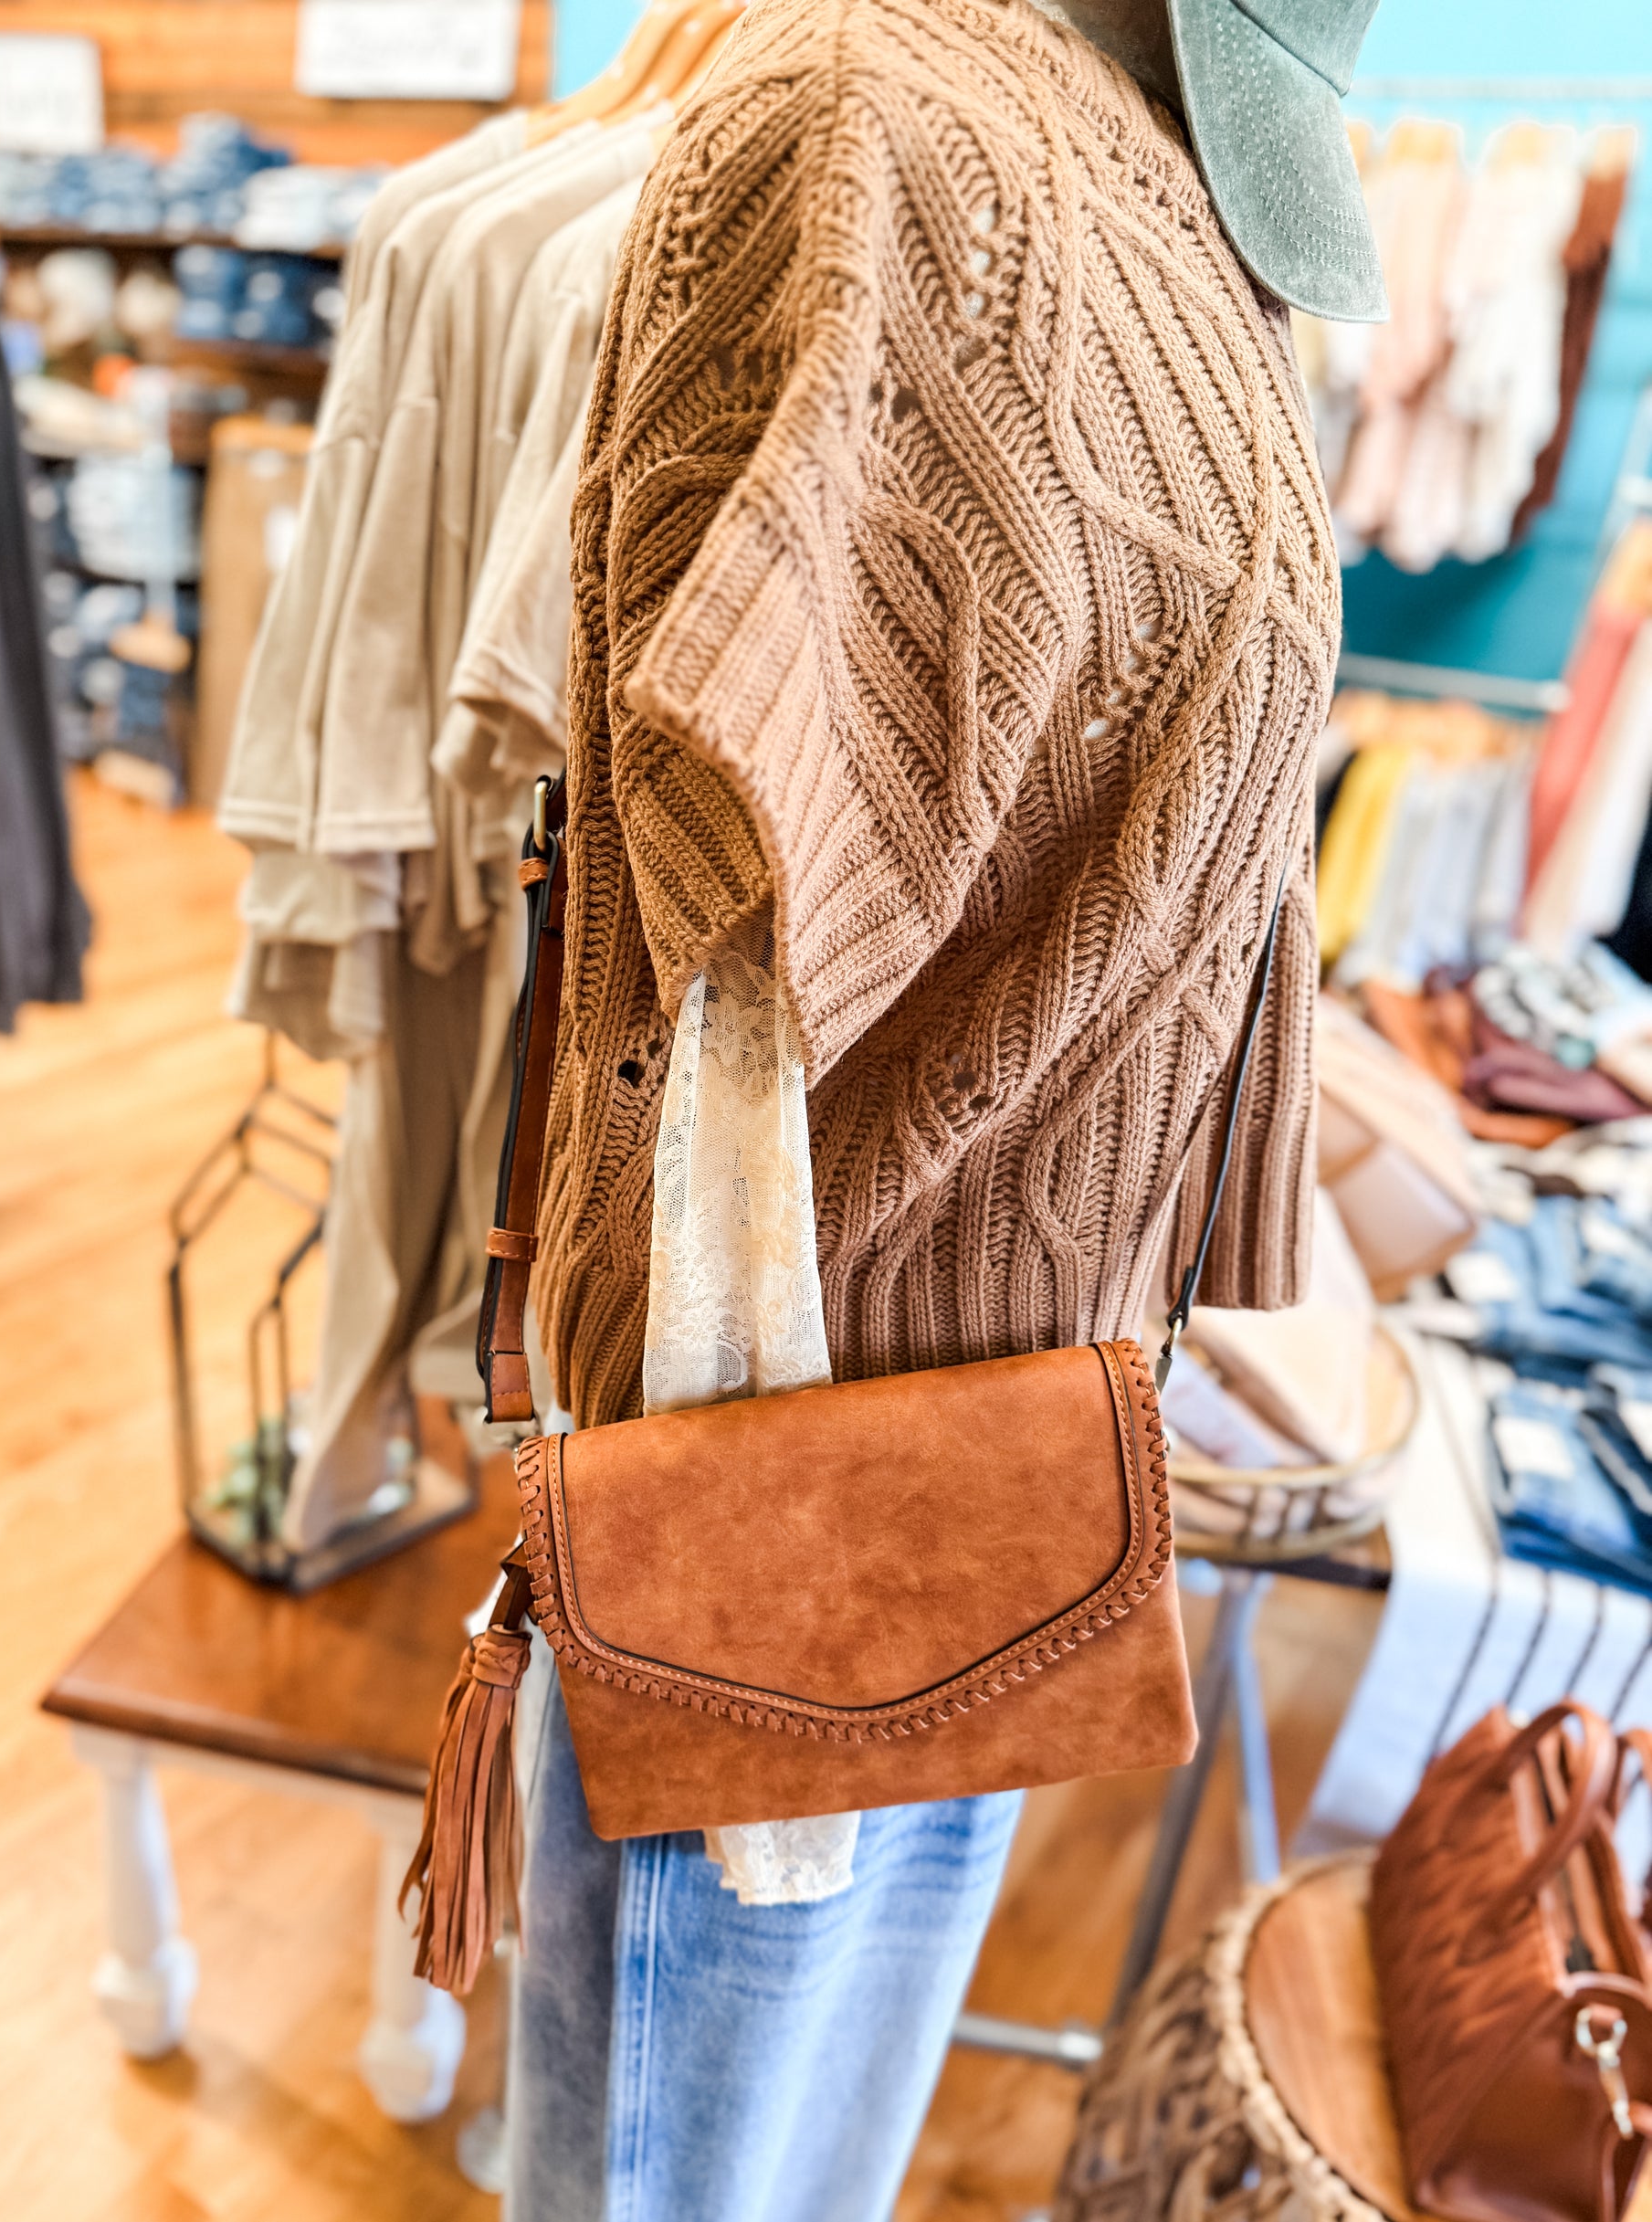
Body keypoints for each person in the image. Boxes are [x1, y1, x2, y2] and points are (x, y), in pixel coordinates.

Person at [510, 1, 1386, 2216]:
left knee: (794, 2159)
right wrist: (720, 1524)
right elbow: (712, 950)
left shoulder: (1189, 224)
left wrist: (1224, 1241)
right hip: (791, 1472)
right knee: (682, 2173)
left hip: (1014, 1460)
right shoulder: (872, 136)